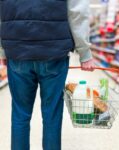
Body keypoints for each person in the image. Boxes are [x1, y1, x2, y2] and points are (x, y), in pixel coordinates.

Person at [0, 0, 95, 150]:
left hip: (17, 51)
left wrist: (3, 50)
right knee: (52, 115)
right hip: (54, 52)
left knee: (20, 114)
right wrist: (84, 52)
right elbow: (77, 12)